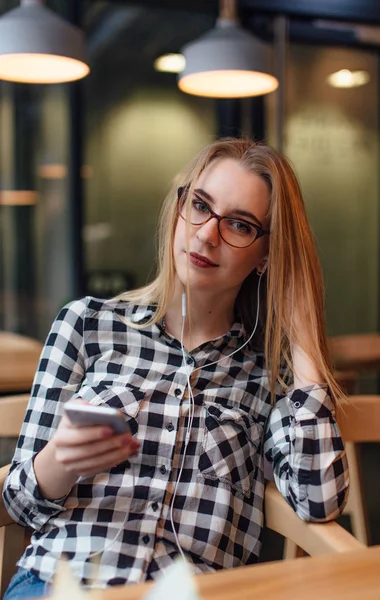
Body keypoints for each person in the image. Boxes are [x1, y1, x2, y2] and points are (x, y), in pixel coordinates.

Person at [3, 138, 349, 599]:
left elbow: (320, 498)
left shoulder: (268, 375)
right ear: (178, 206)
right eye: (200, 205)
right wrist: (58, 463)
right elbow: (19, 506)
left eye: (240, 225)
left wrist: (303, 340)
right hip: (63, 583)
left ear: (267, 254)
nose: (207, 234)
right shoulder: (87, 324)